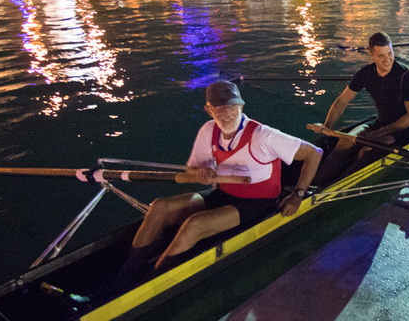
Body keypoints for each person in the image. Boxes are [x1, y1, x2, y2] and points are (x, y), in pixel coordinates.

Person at [110, 81, 322, 293]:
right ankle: (123, 280)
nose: (226, 113)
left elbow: (314, 153)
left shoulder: (263, 135)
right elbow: (192, 168)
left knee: (195, 224)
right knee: (159, 207)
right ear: (209, 110)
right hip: (224, 193)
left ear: (241, 106)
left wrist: (298, 194)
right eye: (218, 108)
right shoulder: (208, 130)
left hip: (259, 202)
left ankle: (147, 287)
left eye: (231, 106)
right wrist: (201, 172)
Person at [314, 32, 409, 184]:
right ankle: (317, 182)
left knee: (368, 150)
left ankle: (339, 185)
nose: (387, 59)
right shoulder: (365, 73)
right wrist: (327, 126)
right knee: (345, 141)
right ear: (371, 55)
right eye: (381, 56)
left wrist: (377, 133)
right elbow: (342, 101)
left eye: (390, 53)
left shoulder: (407, 76)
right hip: (380, 123)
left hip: (404, 130)